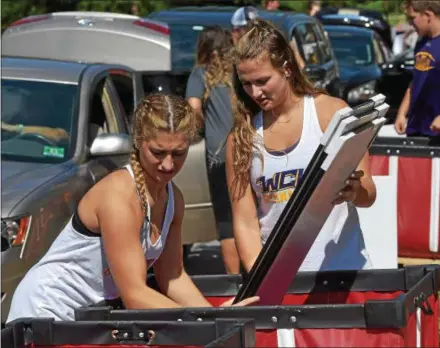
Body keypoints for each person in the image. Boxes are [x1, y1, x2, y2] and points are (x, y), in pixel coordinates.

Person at [6, 94, 258, 323]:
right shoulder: (119, 196)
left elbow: (172, 277)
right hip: (46, 309)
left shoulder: (174, 200)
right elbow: (134, 295)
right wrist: (201, 323)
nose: (168, 165)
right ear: (138, 142)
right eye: (158, 152)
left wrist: (214, 318)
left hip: (86, 316)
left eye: (179, 153)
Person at [226, 19, 376, 274]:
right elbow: (245, 221)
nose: (255, 92)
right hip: (282, 283)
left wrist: (354, 191)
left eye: (263, 80)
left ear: (286, 68)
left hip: (343, 273)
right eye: (246, 83)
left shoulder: (332, 113)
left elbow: (369, 194)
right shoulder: (241, 138)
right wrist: (260, 278)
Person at [186, 27, 240, 274]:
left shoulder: (201, 74)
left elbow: (193, 107)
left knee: (227, 222)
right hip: (247, 150)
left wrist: (198, 129)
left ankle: (235, 282)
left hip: (218, 156)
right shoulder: (239, 73)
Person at [394, 0, 440, 139]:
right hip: (416, 128)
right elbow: (415, 81)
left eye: (413, 18)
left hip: (436, 129)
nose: (410, 23)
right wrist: (402, 114)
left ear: (428, 14)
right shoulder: (421, 43)